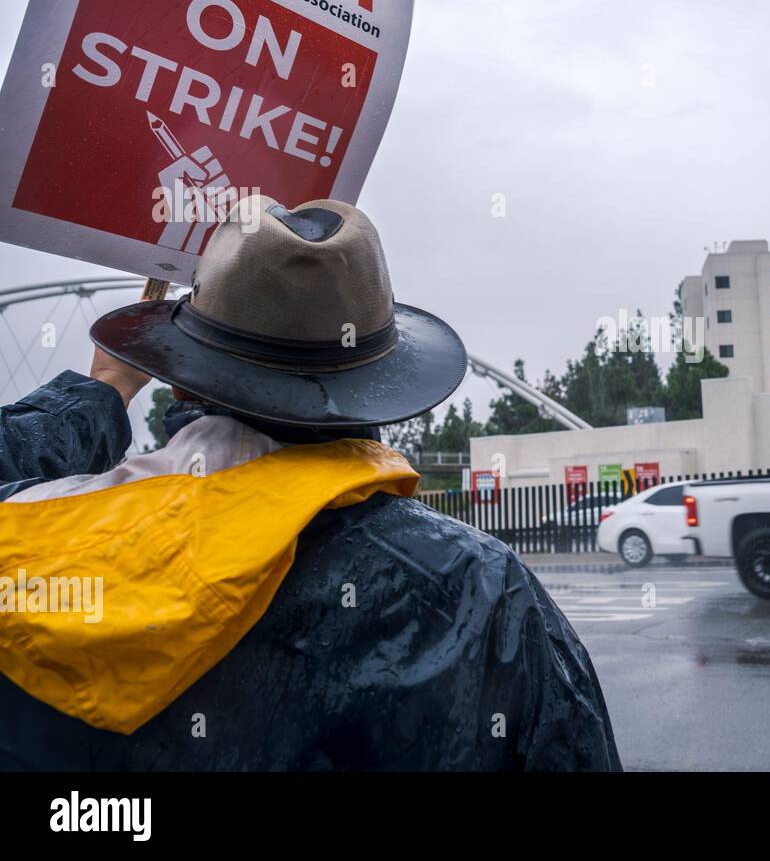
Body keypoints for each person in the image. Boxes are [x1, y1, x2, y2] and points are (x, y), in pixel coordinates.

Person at [0, 196, 621, 771]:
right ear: (379, 384)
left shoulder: (28, 540)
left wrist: (99, 394)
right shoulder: (483, 588)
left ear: (181, 380)